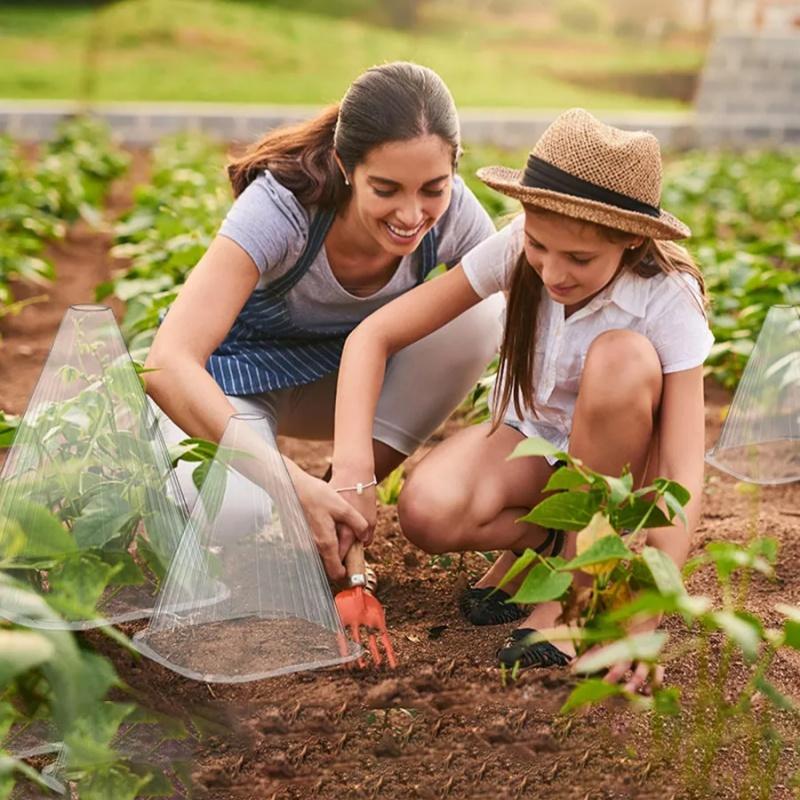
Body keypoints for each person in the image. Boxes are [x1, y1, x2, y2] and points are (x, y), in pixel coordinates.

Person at [331, 108, 713, 686]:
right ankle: (555, 544)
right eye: (539, 246)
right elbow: (374, 334)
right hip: (537, 447)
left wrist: (644, 618)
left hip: (621, 478)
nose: (553, 272)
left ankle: (583, 593)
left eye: (579, 259)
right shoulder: (518, 247)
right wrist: (354, 474)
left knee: (619, 356)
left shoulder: (668, 299)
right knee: (427, 510)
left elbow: (682, 471)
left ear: (632, 239)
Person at [144, 62, 504, 581]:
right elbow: (168, 360)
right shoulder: (282, 208)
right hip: (238, 385)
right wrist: (289, 483)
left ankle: (341, 514)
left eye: (433, 187)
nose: (411, 214)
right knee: (236, 511)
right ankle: (197, 489)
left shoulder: (454, 214)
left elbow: (531, 323)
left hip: (345, 388)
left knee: (485, 309)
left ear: (454, 168)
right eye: (385, 189)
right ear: (344, 166)